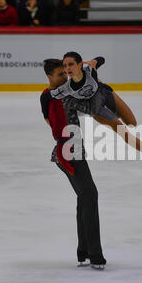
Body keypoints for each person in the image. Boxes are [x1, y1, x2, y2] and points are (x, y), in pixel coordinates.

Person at [44, 52, 142, 166]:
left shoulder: (88, 69)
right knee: (121, 129)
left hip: (105, 93)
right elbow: (46, 97)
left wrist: (94, 61)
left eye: (71, 64)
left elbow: (102, 59)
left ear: (80, 64)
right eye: (65, 66)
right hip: (95, 108)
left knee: (132, 123)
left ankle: (113, 116)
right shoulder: (66, 89)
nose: (68, 68)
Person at [40, 59, 107, 270]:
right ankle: (94, 255)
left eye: (65, 74)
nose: (64, 78)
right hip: (67, 150)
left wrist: (93, 66)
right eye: (59, 74)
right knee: (90, 195)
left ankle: (84, 253)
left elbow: (92, 107)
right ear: (49, 77)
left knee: (85, 196)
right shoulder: (48, 96)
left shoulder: (68, 92)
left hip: (75, 147)